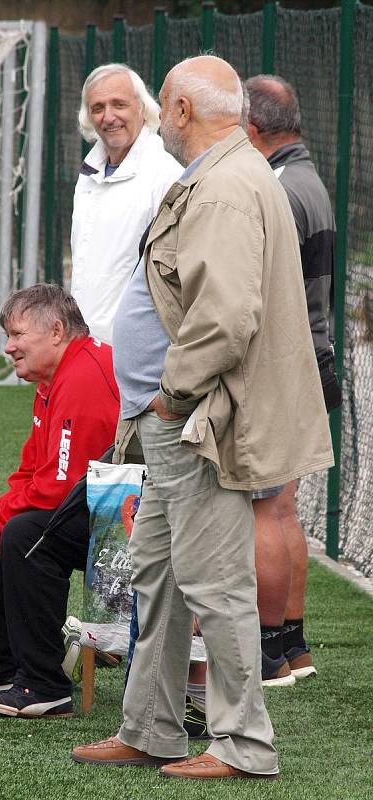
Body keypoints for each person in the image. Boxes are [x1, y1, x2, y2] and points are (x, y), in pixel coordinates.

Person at [72, 55, 333, 780]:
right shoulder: (231, 173)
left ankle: (243, 745)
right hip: (185, 421)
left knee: (214, 583)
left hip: (198, 422)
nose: (162, 114)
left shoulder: (221, 186)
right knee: (156, 575)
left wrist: (171, 394)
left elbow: (224, 319)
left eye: (163, 103)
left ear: (182, 110)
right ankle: (151, 727)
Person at [0, 284, 120, 718]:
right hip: (95, 503)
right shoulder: (55, 376)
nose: (8, 347)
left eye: (17, 335)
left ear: (56, 330)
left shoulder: (84, 377)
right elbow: (32, 472)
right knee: (1, 519)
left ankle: (44, 685)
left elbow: (60, 488)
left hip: (130, 522)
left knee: (24, 533)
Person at [244, 74, 336, 685]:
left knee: (263, 510)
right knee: (284, 510)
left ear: (251, 129)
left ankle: (268, 652)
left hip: (287, 368)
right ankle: (292, 645)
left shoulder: (278, 185)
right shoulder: (310, 178)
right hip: (317, 361)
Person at [70, 63, 182, 344]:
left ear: (142, 109)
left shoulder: (165, 175)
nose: (109, 117)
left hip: (136, 349)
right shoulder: (88, 175)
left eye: (119, 104)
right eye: (97, 108)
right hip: (85, 343)